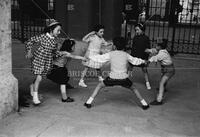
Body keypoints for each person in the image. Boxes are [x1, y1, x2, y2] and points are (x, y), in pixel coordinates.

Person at [84, 37, 150, 110]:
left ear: (114, 46)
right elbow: (135, 60)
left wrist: (89, 57)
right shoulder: (126, 55)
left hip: (112, 78)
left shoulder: (111, 54)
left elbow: (100, 58)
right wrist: (144, 61)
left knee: (99, 85)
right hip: (124, 79)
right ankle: (144, 104)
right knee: (134, 88)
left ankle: (88, 102)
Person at [25, 20, 64, 105]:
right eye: (58, 30)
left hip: (47, 61)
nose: (59, 32)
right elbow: (29, 41)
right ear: (51, 30)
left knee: (40, 76)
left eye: (60, 30)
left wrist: (60, 54)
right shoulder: (42, 37)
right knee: (39, 78)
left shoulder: (55, 40)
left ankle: (32, 86)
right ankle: (35, 98)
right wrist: (29, 51)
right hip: (38, 59)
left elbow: (54, 52)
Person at [145, 38, 175, 105]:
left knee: (161, 82)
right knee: (163, 80)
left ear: (160, 47)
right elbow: (154, 50)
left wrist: (148, 61)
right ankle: (163, 88)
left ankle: (159, 100)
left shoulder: (162, 54)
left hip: (169, 70)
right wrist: (148, 50)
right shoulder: (162, 50)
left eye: (156, 45)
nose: (155, 46)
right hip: (166, 69)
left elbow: (155, 57)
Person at [131, 23, 151, 90]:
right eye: (135, 30)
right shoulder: (135, 38)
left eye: (138, 30)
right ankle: (126, 79)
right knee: (130, 67)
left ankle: (147, 82)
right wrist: (131, 57)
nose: (136, 31)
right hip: (134, 56)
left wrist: (146, 59)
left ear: (142, 30)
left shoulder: (146, 38)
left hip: (142, 56)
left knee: (144, 70)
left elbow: (147, 49)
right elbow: (133, 47)